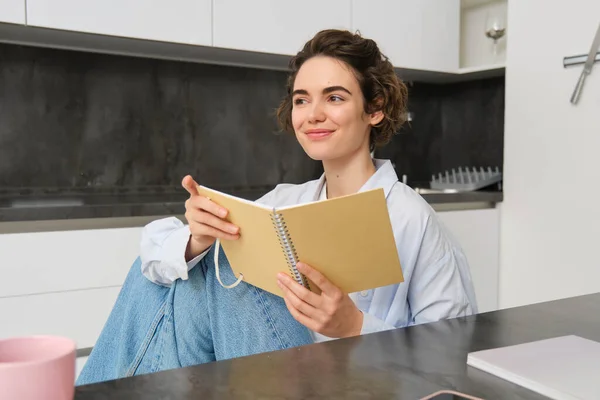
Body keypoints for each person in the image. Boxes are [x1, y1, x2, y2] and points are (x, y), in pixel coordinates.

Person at [77, 29, 477, 386]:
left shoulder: (412, 218)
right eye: (302, 100)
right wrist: (197, 239)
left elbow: (448, 357)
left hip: (357, 385)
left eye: (334, 97)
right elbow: (153, 261)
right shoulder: (285, 202)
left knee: (225, 270)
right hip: (271, 371)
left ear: (375, 109)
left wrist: (354, 326)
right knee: (176, 270)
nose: (313, 114)